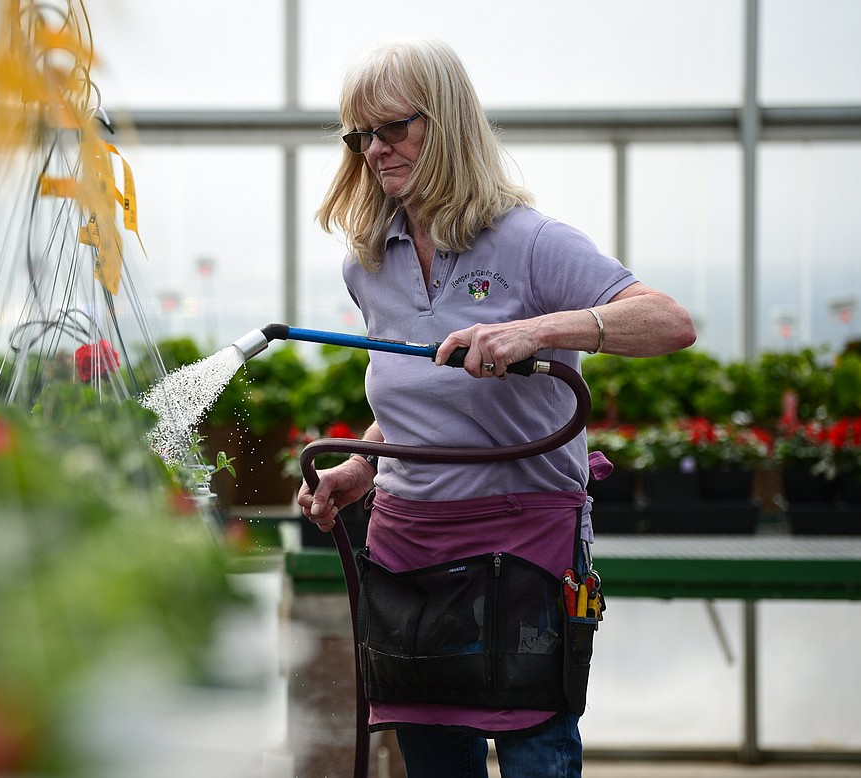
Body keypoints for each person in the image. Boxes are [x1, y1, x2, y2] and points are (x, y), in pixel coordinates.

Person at [296, 38, 696, 778]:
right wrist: (361, 464)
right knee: (433, 759)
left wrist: (536, 330)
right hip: (412, 552)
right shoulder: (369, 262)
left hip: (524, 554)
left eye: (394, 128)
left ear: (444, 122)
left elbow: (670, 322)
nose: (376, 150)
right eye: (362, 136)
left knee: (535, 750)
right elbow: (420, 395)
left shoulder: (530, 243)